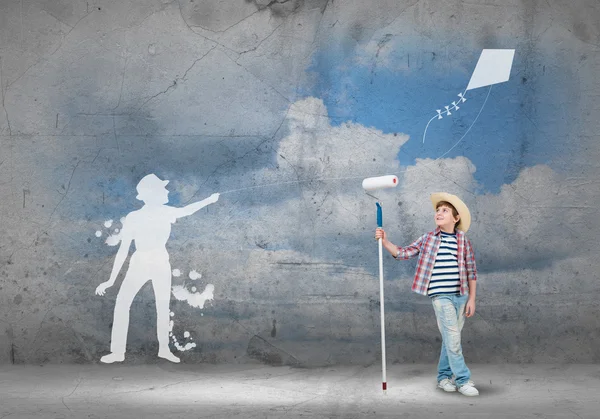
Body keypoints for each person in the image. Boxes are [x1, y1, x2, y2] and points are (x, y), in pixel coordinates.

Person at [95, 174, 219, 364]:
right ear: (151, 193)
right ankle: (118, 352)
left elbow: (187, 211)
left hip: (161, 262)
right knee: (122, 304)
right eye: (163, 188)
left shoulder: (165, 212)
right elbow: (123, 249)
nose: (167, 191)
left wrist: (209, 200)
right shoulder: (134, 217)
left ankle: (164, 350)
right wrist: (111, 279)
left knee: (162, 307)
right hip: (139, 263)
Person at [375, 192, 479, 396]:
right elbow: (404, 253)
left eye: (445, 210)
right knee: (452, 337)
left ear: (455, 218)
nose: (439, 213)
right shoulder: (428, 239)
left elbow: (471, 270)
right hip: (440, 296)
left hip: (461, 296)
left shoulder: (463, 240)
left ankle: (442, 377)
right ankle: (463, 380)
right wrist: (386, 242)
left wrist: (472, 299)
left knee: (451, 339)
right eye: (437, 210)